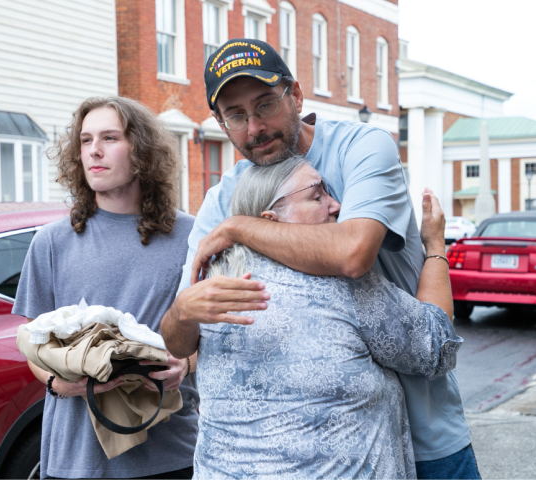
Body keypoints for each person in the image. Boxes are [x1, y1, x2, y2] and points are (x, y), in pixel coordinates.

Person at [160, 39, 480, 479]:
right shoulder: (222, 197)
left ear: (295, 96)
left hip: (425, 425)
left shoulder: (363, 147)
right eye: (235, 115)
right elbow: (186, 336)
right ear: (220, 122)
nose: (254, 127)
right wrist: (182, 315)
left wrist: (240, 227)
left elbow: (353, 254)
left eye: (266, 104)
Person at [191, 156, 461, 479]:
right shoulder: (341, 283)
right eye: (317, 196)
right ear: (269, 220)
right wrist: (435, 245)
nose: (337, 205)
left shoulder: (212, 286)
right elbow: (436, 346)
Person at [13, 97, 198, 479]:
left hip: (169, 454)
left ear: (142, 150)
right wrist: (57, 382)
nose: (94, 150)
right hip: (76, 458)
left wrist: (185, 364)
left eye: (110, 137)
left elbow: (213, 336)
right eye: (85, 140)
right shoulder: (51, 242)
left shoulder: (191, 236)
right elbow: (33, 346)